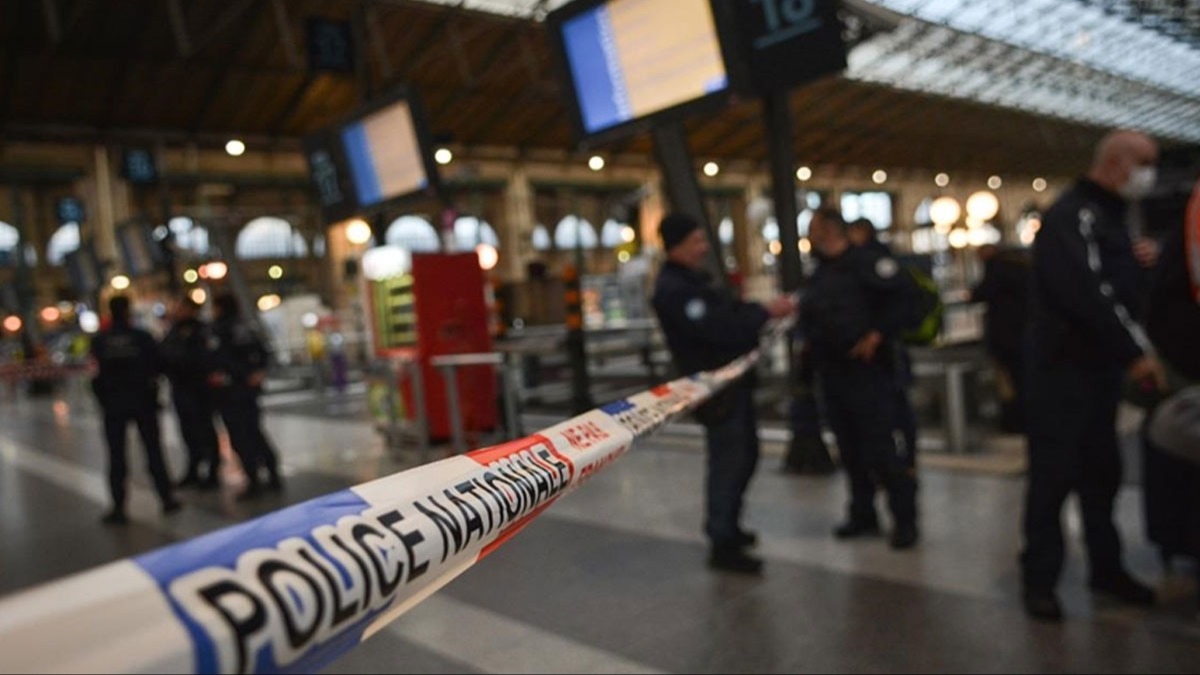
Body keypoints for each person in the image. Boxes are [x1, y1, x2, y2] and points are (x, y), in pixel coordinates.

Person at [1021, 129, 1166, 621]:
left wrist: (1144, 264)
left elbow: (1119, 286)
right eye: (1145, 163)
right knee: (1053, 479)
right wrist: (1134, 353)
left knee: (1101, 475)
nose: (1150, 174)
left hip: (1096, 373)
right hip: (1060, 375)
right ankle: (1039, 581)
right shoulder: (1074, 214)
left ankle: (1107, 570)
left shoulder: (1111, 216)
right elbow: (1087, 291)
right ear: (1117, 162)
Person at [651, 213, 795, 575]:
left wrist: (758, 312)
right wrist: (763, 313)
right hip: (717, 392)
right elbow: (719, 327)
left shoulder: (694, 282)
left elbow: (727, 312)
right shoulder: (676, 289)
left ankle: (730, 524)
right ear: (677, 245)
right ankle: (722, 539)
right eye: (697, 241)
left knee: (744, 455)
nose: (704, 248)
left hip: (732, 387)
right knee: (729, 461)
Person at [803, 207, 919, 550]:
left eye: (814, 229)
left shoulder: (867, 263)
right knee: (849, 450)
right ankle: (862, 513)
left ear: (829, 229)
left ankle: (905, 519)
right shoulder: (820, 272)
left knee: (881, 449)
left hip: (869, 373)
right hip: (832, 373)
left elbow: (907, 300)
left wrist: (877, 335)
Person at [90, 296, 180, 523]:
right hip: (143, 402)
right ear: (128, 311)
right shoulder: (141, 337)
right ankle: (166, 498)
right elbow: (160, 364)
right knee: (153, 451)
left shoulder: (100, 341)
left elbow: (94, 374)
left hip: (114, 405)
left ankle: (118, 506)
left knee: (116, 455)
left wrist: (104, 398)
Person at [208, 293, 282, 500]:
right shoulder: (245, 327)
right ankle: (271, 471)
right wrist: (256, 372)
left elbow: (220, 359)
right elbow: (263, 352)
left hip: (232, 391)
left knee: (241, 436)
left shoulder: (220, 330)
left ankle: (254, 477)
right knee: (255, 431)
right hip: (246, 390)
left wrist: (239, 375)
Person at [970, 244, 1032, 433]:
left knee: (1008, 382)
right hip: (1025, 332)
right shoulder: (1023, 266)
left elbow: (981, 293)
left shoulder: (996, 269)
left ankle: (1013, 421)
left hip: (1004, 335)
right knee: (1024, 379)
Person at [160, 295, 221, 489]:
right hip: (181, 387)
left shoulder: (202, 330)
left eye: (181, 308)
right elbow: (164, 353)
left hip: (200, 388)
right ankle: (194, 468)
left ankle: (212, 470)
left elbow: (204, 357)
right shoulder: (174, 331)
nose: (177, 311)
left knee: (205, 430)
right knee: (187, 431)